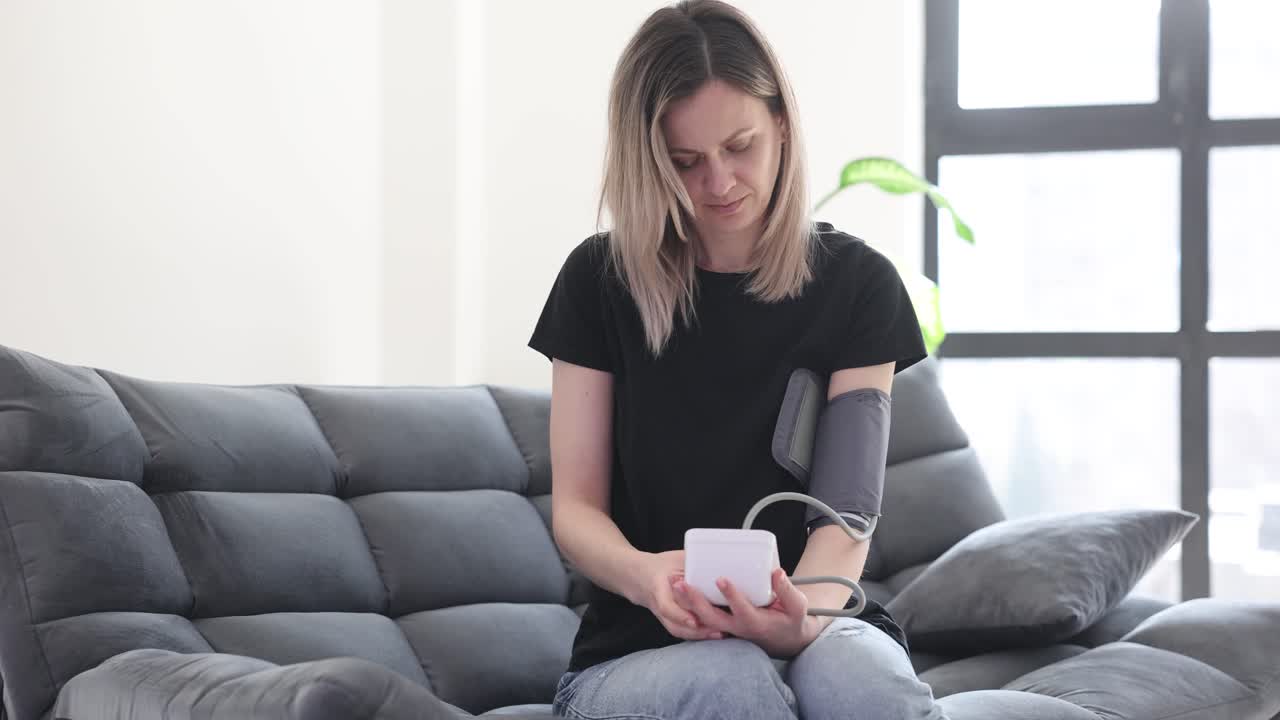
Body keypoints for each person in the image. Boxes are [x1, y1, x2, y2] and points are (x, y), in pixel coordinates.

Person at [528, 2, 948, 718]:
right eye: (686, 162)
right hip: (636, 649)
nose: (719, 182)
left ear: (781, 123)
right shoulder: (598, 285)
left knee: (866, 681)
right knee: (731, 681)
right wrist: (644, 576)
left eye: (741, 145)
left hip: (816, 617)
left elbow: (844, 517)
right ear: (649, 159)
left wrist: (802, 618)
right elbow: (577, 512)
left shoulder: (858, 288)